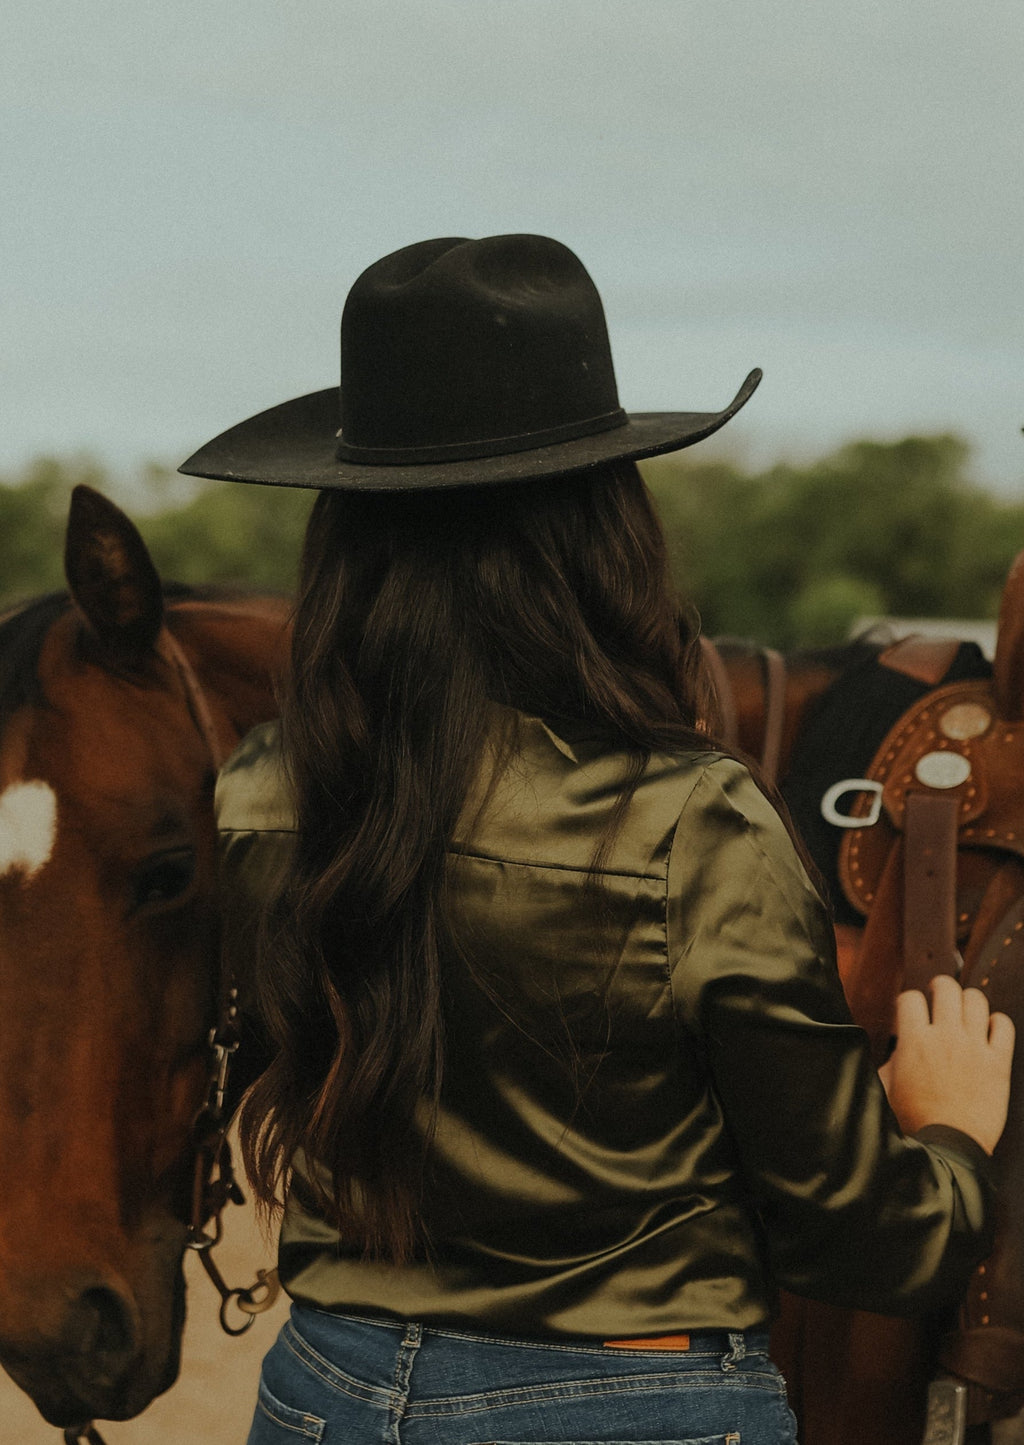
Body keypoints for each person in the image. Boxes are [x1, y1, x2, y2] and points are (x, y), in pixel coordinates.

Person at [181, 234, 1014, 1445]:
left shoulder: (266, 791)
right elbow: (866, 1238)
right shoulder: (690, 821)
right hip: (629, 1401)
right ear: (600, 526)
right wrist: (948, 1128)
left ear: (347, 530)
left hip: (326, 1382)